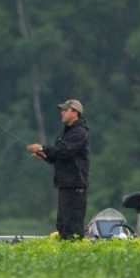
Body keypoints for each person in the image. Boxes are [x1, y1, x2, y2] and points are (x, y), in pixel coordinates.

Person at [26, 99, 90, 240]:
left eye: (65, 110)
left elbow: (64, 151)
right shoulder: (66, 133)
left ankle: (75, 256)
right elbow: (59, 157)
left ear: (75, 113)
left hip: (75, 185)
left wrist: (42, 147)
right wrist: (45, 156)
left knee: (72, 227)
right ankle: (65, 255)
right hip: (66, 184)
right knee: (62, 224)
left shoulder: (79, 132)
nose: (62, 113)